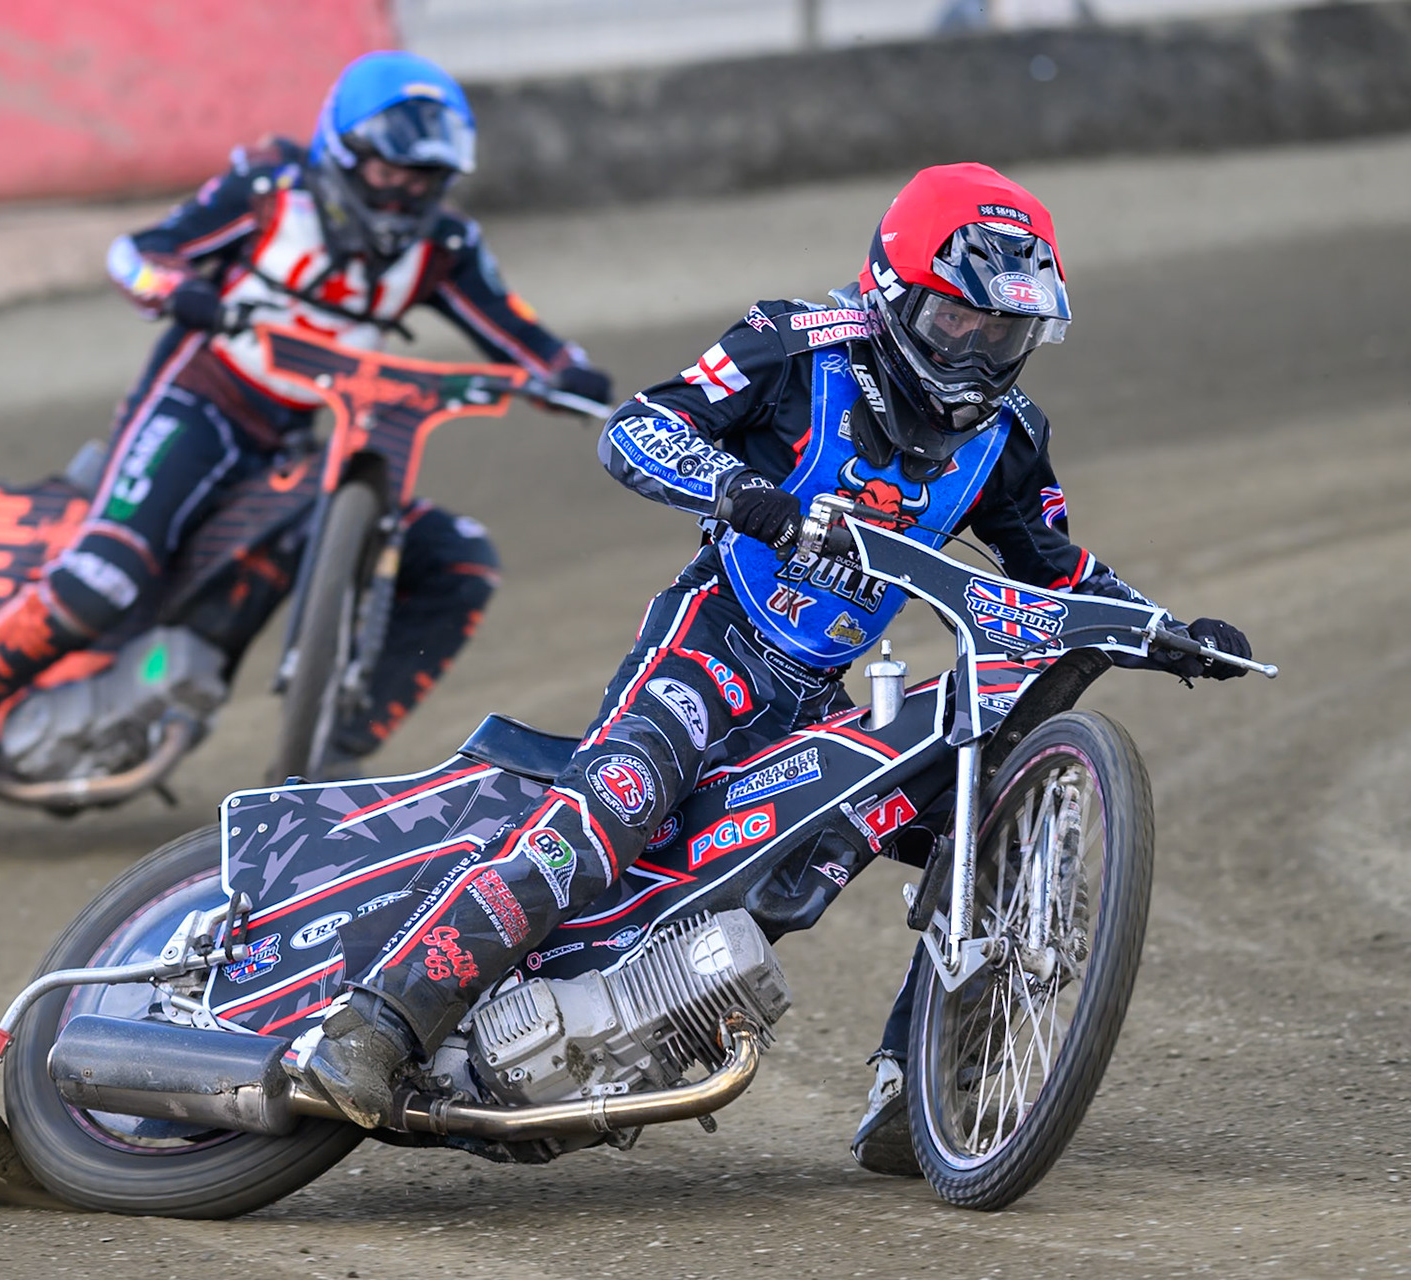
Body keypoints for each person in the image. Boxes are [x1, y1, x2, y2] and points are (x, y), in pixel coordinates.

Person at [297, 163, 1254, 1174]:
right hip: (709, 647)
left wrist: (1167, 628)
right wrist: (740, 488)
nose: (976, 353)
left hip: (813, 700)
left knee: (983, 819)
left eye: (1003, 332)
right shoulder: (797, 346)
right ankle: (378, 1021)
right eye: (954, 321)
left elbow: (1058, 572)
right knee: (612, 810)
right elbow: (638, 427)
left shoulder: (1009, 440)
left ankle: (918, 1081)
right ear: (891, 292)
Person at [0, 51, 610, 801]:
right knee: (107, 573)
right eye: (389, 169)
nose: (406, 191)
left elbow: (522, 336)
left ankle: (331, 755)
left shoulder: (444, 248)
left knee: (462, 560)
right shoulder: (269, 189)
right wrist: (176, 290)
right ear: (343, 150)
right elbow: (138, 254)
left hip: (298, 438)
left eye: (426, 176)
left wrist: (569, 375)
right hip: (197, 405)